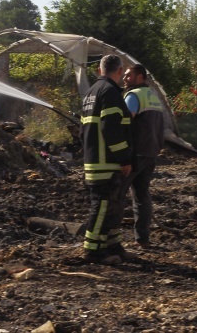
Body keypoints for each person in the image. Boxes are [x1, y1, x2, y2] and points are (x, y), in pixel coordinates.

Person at [80, 54, 134, 265]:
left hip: (95, 160)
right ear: (119, 71)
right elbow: (111, 128)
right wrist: (124, 158)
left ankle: (113, 246)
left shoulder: (91, 93)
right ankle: (92, 251)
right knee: (102, 207)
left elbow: (82, 132)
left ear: (100, 70)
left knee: (112, 207)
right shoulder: (110, 93)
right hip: (106, 162)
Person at [121, 64, 164, 249]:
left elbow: (125, 121)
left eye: (129, 75)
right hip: (150, 154)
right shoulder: (154, 97)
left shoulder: (133, 96)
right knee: (142, 197)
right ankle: (142, 239)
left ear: (140, 77)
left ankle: (110, 240)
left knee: (116, 195)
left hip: (135, 154)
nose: (125, 78)